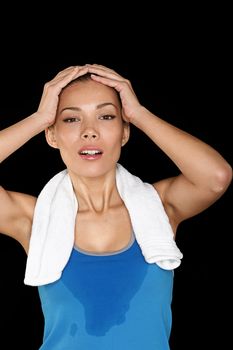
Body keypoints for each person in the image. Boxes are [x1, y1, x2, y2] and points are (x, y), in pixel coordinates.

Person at [0, 64, 232, 349]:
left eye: (106, 116)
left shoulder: (160, 207)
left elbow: (216, 178)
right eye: (71, 120)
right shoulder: (33, 218)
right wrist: (38, 118)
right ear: (52, 135)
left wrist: (139, 114)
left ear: (125, 132)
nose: (89, 131)